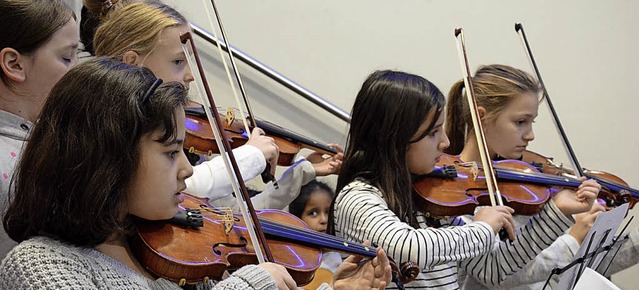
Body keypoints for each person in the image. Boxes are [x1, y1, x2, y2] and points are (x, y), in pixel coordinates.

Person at [0, 58, 391, 290]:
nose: (187, 169)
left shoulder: (165, 247)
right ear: (106, 158)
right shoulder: (39, 264)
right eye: (171, 153)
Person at [329, 70, 599, 289]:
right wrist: (481, 228)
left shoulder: (427, 196)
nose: (445, 143)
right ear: (394, 138)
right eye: (433, 133)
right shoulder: (359, 197)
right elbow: (408, 247)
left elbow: (493, 269)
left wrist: (556, 212)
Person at [86, 0, 343, 209]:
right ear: (132, 62)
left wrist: (299, 173)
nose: (190, 75)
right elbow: (181, 185)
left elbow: (231, 220)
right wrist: (251, 155)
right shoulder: (106, 126)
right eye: (178, 62)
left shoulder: (172, 127)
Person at [444, 64, 612, 289]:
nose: (530, 135)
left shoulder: (519, 183)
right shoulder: (451, 198)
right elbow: (495, 272)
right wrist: (572, 233)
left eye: (531, 122)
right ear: (481, 117)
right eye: (520, 122)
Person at [0, 0, 79, 258]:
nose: (77, 70)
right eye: (67, 57)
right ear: (14, 64)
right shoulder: (14, 171)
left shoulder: (41, 135)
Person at [289, 180, 342, 289]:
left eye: (328, 212)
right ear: (297, 220)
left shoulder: (342, 256)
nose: (323, 219)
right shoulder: (294, 264)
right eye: (313, 213)